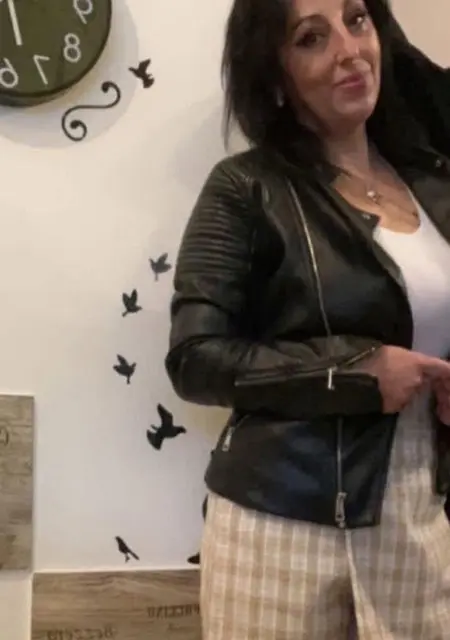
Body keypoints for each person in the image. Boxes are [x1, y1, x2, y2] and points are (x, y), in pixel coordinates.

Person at [165, 0, 450, 637]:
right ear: (275, 73)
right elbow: (194, 357)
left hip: (414, 515)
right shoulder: (246, 188)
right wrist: (352, 373)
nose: (349, 51)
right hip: (279, 521)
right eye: (311, 38)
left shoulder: (435, 184)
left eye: (357, 20)